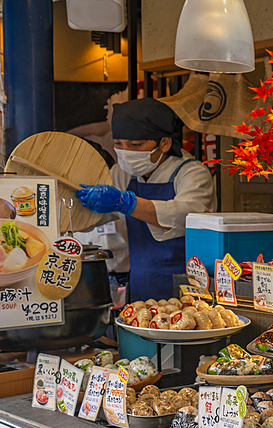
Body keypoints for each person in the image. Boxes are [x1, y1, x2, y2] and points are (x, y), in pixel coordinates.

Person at [76, 98, 216, 301]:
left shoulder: (192, 173)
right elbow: (100, 216)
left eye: (135, 144)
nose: (126, 152)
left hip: (187, 283)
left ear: (164, 143)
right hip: (140, 281)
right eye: (119, 144)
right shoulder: (121, 173)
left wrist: (127, 203)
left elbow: (186, 215)